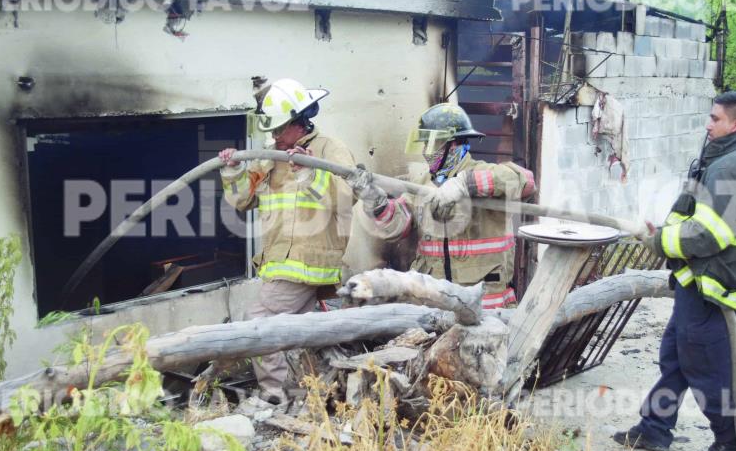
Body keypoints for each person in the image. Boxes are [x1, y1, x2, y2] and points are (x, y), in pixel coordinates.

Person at [613, 91, 736, 451]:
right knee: (675, 357)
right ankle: (654, 427)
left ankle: (732, 439)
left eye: (715, 118)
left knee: (703, 363)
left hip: (713, 282)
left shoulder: (734, 167)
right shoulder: (730, 160)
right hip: (699, 280)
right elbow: (699, 219)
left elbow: (709, 236)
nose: (708, 124)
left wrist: (660, 243)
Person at [218, 78, 355, 404]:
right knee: (296, 334)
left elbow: (348, 197)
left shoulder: (328, 149)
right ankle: (309, 394)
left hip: (309, 259)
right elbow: (243, 201)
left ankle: (275, 396)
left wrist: (309, 171)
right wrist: (233, 171)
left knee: (260, 322)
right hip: (280, 261)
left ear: (298, 122)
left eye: (280, 129)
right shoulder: (271, 157)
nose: (275, 136)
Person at [346, 103, 536, 309]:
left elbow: (526, 181)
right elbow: (397, 225)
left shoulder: (484, 173)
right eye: (424, 144)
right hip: (434, 303)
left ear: (454, 145)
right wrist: (373, 199)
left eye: (432, 144)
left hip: (485, 306)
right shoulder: (422, 184)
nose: (427, 153)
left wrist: (467, 183)